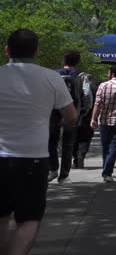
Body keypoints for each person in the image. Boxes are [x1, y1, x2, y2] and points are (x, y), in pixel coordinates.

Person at [0, 29, 77, 255]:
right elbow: (71, 116)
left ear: (7, 50)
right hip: (33, 158)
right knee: (29, 219)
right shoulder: (51, 77)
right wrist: (61, 127)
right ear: (37, 51)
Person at [49, 50, 90, 184]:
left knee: (51, 142)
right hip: (73, 113)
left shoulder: (53, 74)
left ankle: (53, 168)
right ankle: (64, 176)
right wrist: (84, 111)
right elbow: (87, 95)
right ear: (77, 61)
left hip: (54, 113)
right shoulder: (81, 76)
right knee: (68, 145)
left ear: (64, 60)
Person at [72, 75, 97, 169]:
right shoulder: (95, 88)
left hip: (76, 114)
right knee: (85, 138)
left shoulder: (75, 86)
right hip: (89, 116)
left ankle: (76, 158)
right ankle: (81, 156)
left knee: (74, 137)